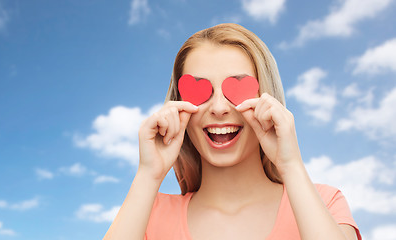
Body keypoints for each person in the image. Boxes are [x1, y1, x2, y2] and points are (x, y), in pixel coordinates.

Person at [103, 23, 361, 240]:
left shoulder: (325, 203)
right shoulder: (149, 214)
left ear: (267, 101)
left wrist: (290, 164)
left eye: (237, 88)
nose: (218, 108)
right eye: (200, 91)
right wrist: (148, 174)